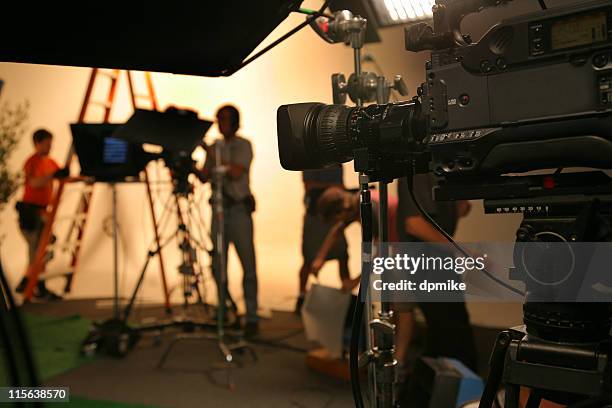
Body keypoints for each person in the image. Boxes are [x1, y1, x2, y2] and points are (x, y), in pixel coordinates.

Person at [397, 173, 477, 371]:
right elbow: (413, 224)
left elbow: (458, 210)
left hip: (438, 260)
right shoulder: (417, 172)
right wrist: (462, 250)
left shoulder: (440, 171)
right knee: (452, 337)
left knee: (444, 335)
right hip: (426, 262)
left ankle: (429, 392)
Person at [199, 105, 259, 337]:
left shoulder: (243, 145)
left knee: (248, 265)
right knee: (217, 264)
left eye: (224, 119)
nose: (219, 123)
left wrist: (209, 152)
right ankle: (225, 309)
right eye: (218, 119)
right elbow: (206, 176)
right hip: (218, 210)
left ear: (235, 121)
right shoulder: (214, 147)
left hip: (238, 211)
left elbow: (235, 172)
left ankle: (251, 315)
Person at [15, 129, 67, 300]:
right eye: (47, 142)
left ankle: (28, 282)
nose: (50, 145)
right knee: (38, 251)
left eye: (51, 142)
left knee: (45, 248)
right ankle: (35, 286)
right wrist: (53, 175)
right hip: (31, 213)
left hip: (44, 213)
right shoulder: (32, 162)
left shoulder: (51, 162)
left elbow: (61, 176)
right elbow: (34, 182)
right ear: (37, 143)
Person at [296, 167, 349, 313]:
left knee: (342, 255)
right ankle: (301, 296)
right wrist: (333, 188)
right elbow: (309, 186)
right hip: (315, 215)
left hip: (334, 214)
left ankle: (347, 294)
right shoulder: (310, 160)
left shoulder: (337, 162)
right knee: (308, 259)